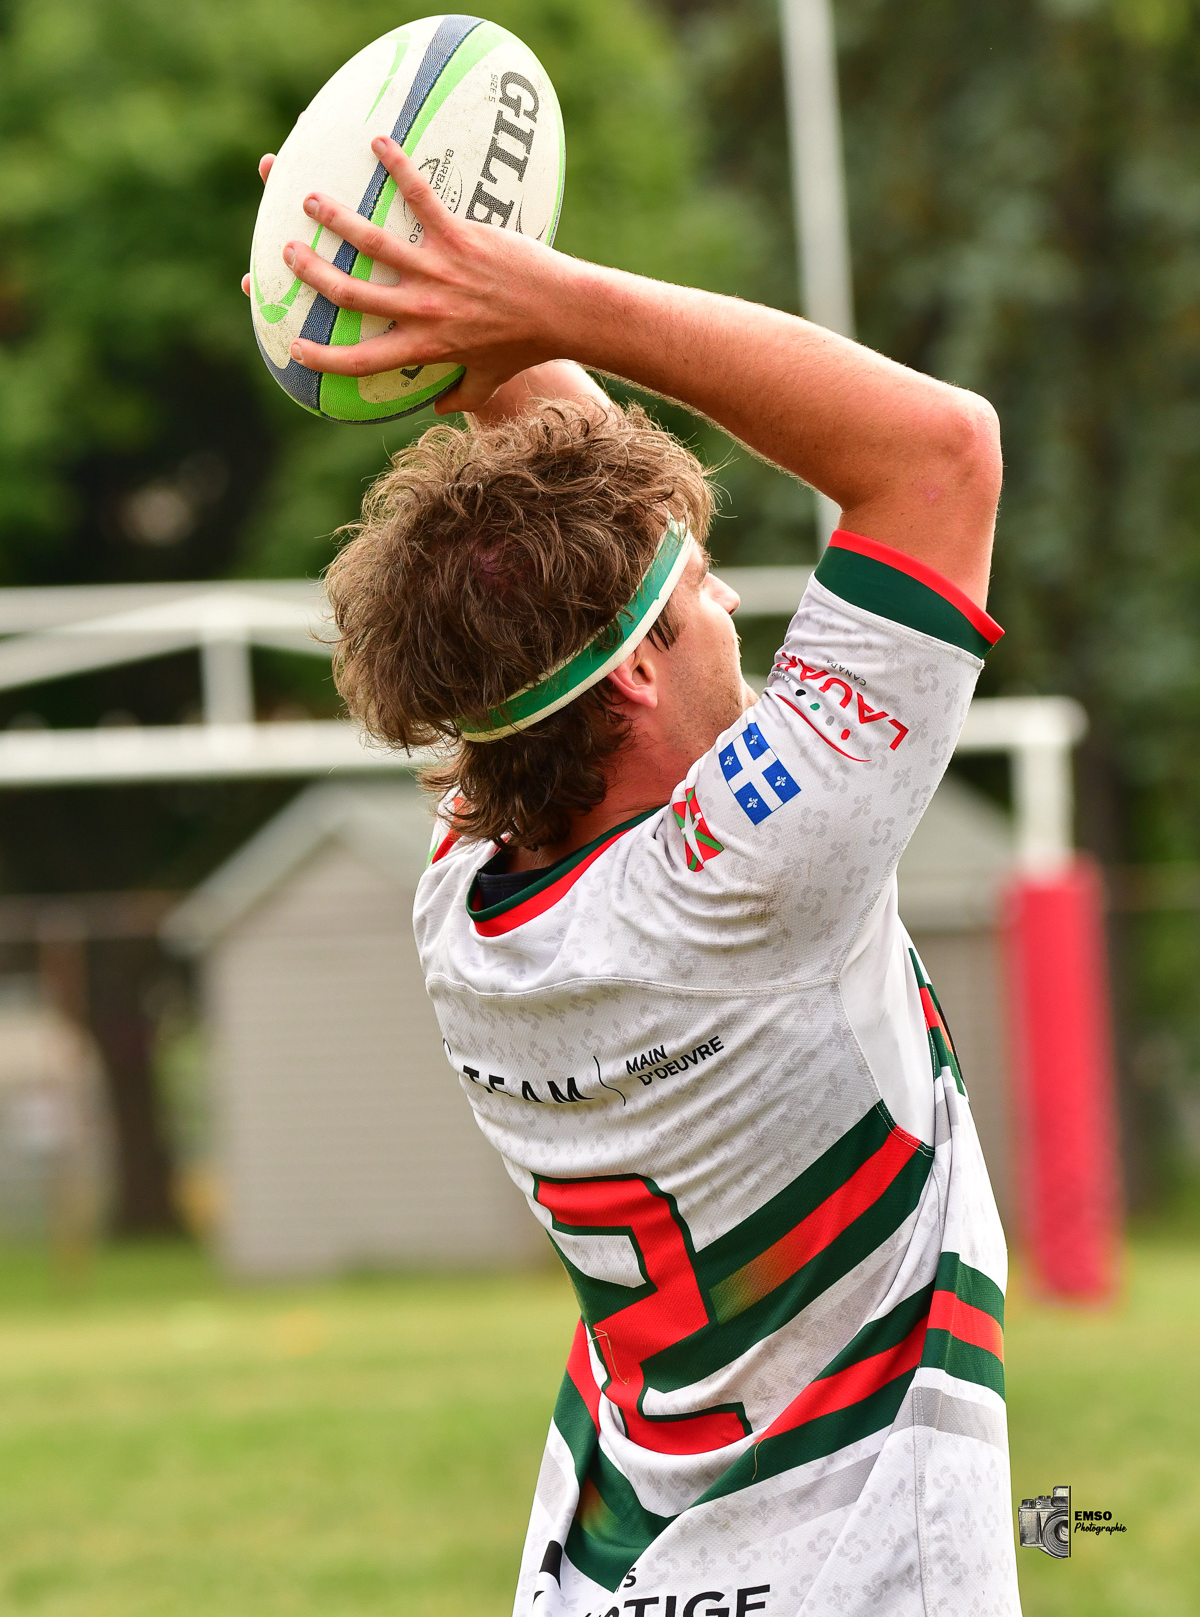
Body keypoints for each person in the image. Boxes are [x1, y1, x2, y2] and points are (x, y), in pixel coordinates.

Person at [248, 139, 1019, 1615]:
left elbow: (560, 538)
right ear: (636, 686)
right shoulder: (758, 883)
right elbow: (942, 454)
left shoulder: (468, 886)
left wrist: (419, 294)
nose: (733, 599)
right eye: (701, 592)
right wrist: (534, 296)